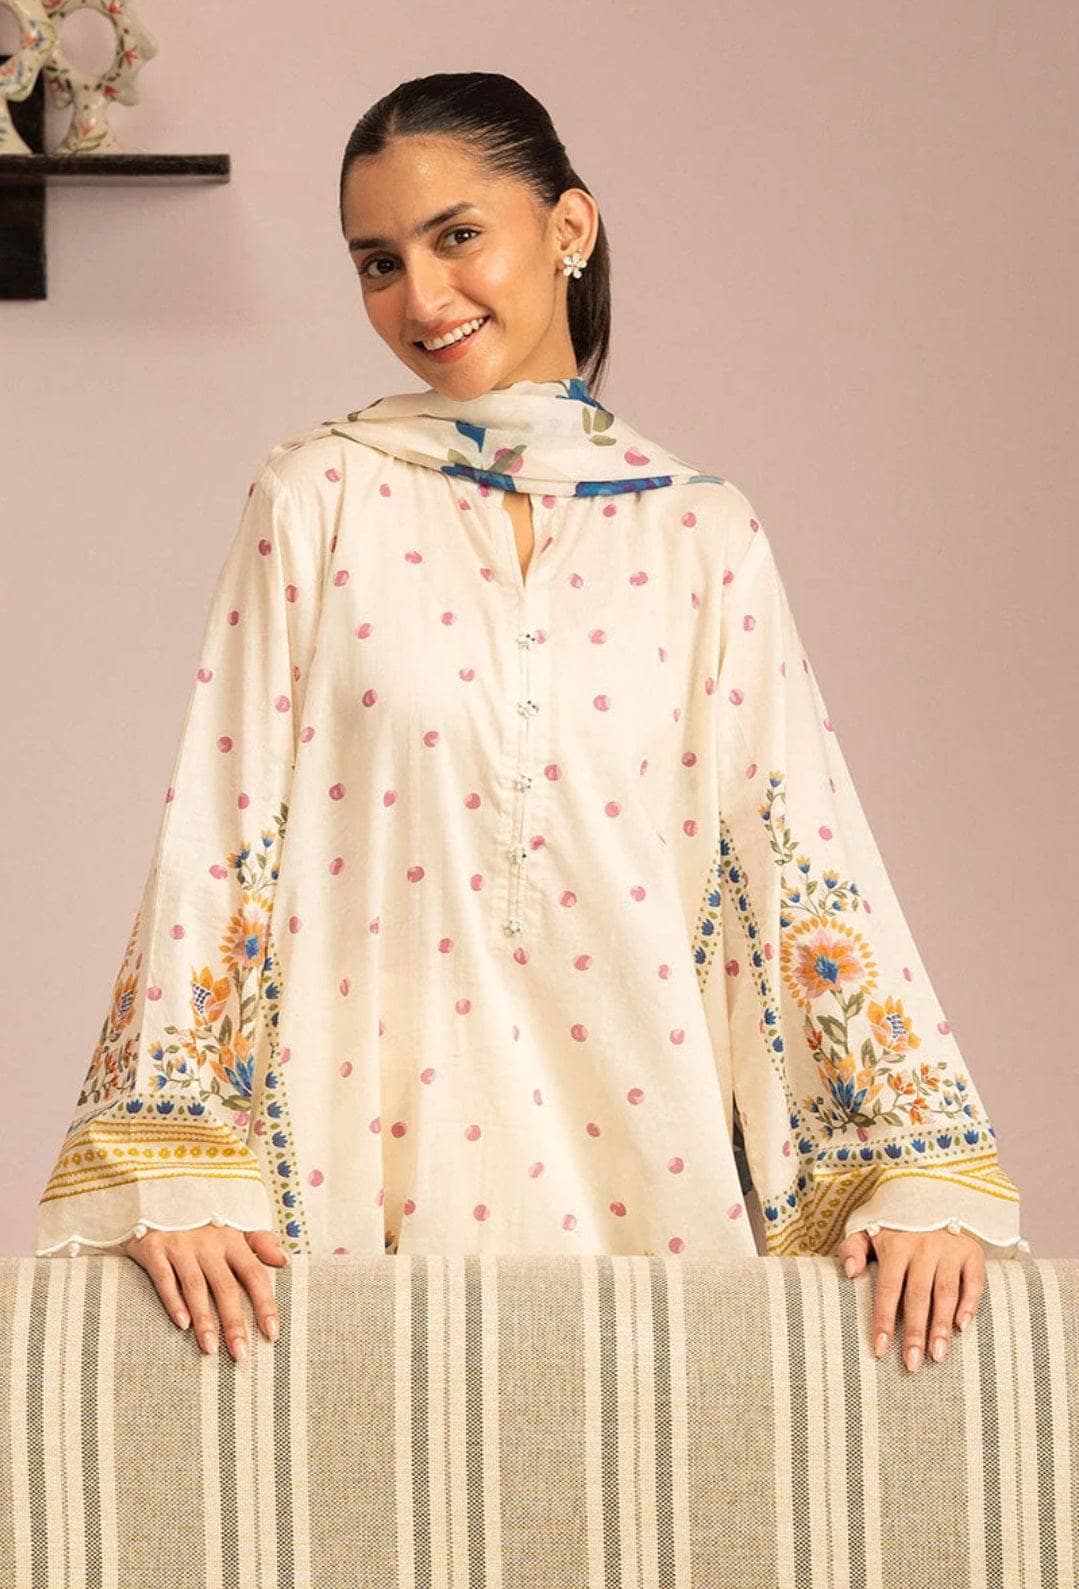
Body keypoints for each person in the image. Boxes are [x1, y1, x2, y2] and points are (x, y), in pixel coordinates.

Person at [35, 72, 1028, 1377]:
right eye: (378, 262)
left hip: (647, 1190)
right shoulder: (319, 500)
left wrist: (905, 1169)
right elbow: (224, 838)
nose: (421, 299)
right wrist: (183, 1158)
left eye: (457, 236)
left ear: (569, 227)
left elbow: (796, 861)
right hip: (348, 1185)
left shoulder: (700, 533)